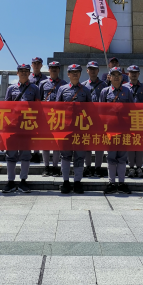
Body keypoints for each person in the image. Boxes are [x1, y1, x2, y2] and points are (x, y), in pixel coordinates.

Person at [2, 64, 41, 194]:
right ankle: (10, 181)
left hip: (27, 126)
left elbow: (38, 108)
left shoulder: (35, 88)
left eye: (26, 71)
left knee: (25, 155)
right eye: (21, 71)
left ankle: (23, 180)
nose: (23, 73)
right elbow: (6, 108)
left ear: (29, 73)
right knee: (11, 154)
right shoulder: (11, 88)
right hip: (12, 126)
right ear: (17, 73)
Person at [56, 64, 92, 194]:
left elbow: (90, 110)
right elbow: (57, 108)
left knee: (79, 156)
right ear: (68, 74)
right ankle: (65, 182)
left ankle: (77, 182)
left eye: (77, 72)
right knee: (65, 156)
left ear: (80, 74)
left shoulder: (86, 90)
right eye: (72, 72)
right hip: (66, 129)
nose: (75, 74)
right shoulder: (62, 89)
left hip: (80, 129)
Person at [100, 67, 133, 195]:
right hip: (110, 129)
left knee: (122, 157)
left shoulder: (127, 91)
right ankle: (111, 183)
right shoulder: (105, 91)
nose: (116, 77)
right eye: (113, 75)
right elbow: (100, 111)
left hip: (124, 129)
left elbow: (132, 109)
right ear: (109, 77)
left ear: (122, 77)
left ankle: (121, 183)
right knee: (111, 157)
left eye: (118, 75)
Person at [39, 61, 67, 177]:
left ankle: (55, 167)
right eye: (52, 68)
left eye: (56, 68)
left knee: (57, 143)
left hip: (58, 117)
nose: (54, 70)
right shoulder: (43, 83)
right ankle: (46, 167)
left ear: (59, 70)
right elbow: (38, 100)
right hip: (46, 117)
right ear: (49, 69)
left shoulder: (64, 84)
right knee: (45, 143)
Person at [81, 61, 107, 178]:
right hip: (86, 119)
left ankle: (97, 167)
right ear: (87, 71)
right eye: (90, 69)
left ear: (98, 71)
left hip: (100, 119)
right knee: (87, 144)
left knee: (99, 144)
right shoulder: (83, 85)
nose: (92, 71)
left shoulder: (104, 85)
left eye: (94, 69)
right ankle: (87, 166)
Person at [124, 65, 143, 179]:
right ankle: (131, 167)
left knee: (139, 144)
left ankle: (139, 167)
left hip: (141, 119)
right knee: (130, 144)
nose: (134, 74)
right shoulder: (124, 87)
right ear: (128, 74)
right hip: (128, 119)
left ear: (139, 74)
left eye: (136, 72)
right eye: (131, 72)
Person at [29, 57, 48, 164]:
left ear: (41, 65)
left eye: (38, 63)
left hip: (41, 109)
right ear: (32, 65)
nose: (36, 65)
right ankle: (28, 152)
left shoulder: (45, 79)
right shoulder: (27, 77)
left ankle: (36, 153)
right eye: (34, 63)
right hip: (28, 109)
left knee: (38, 132)